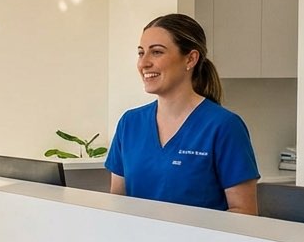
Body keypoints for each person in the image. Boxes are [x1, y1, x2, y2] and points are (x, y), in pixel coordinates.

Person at [106, 13, 259, 214]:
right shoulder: (130, 123)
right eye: (141, 53)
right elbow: (118, 203)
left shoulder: (224, 126)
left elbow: (244, 213)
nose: (144, 63)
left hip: (199, 236)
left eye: (156, 52)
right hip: (138, 235)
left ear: (190, 59)